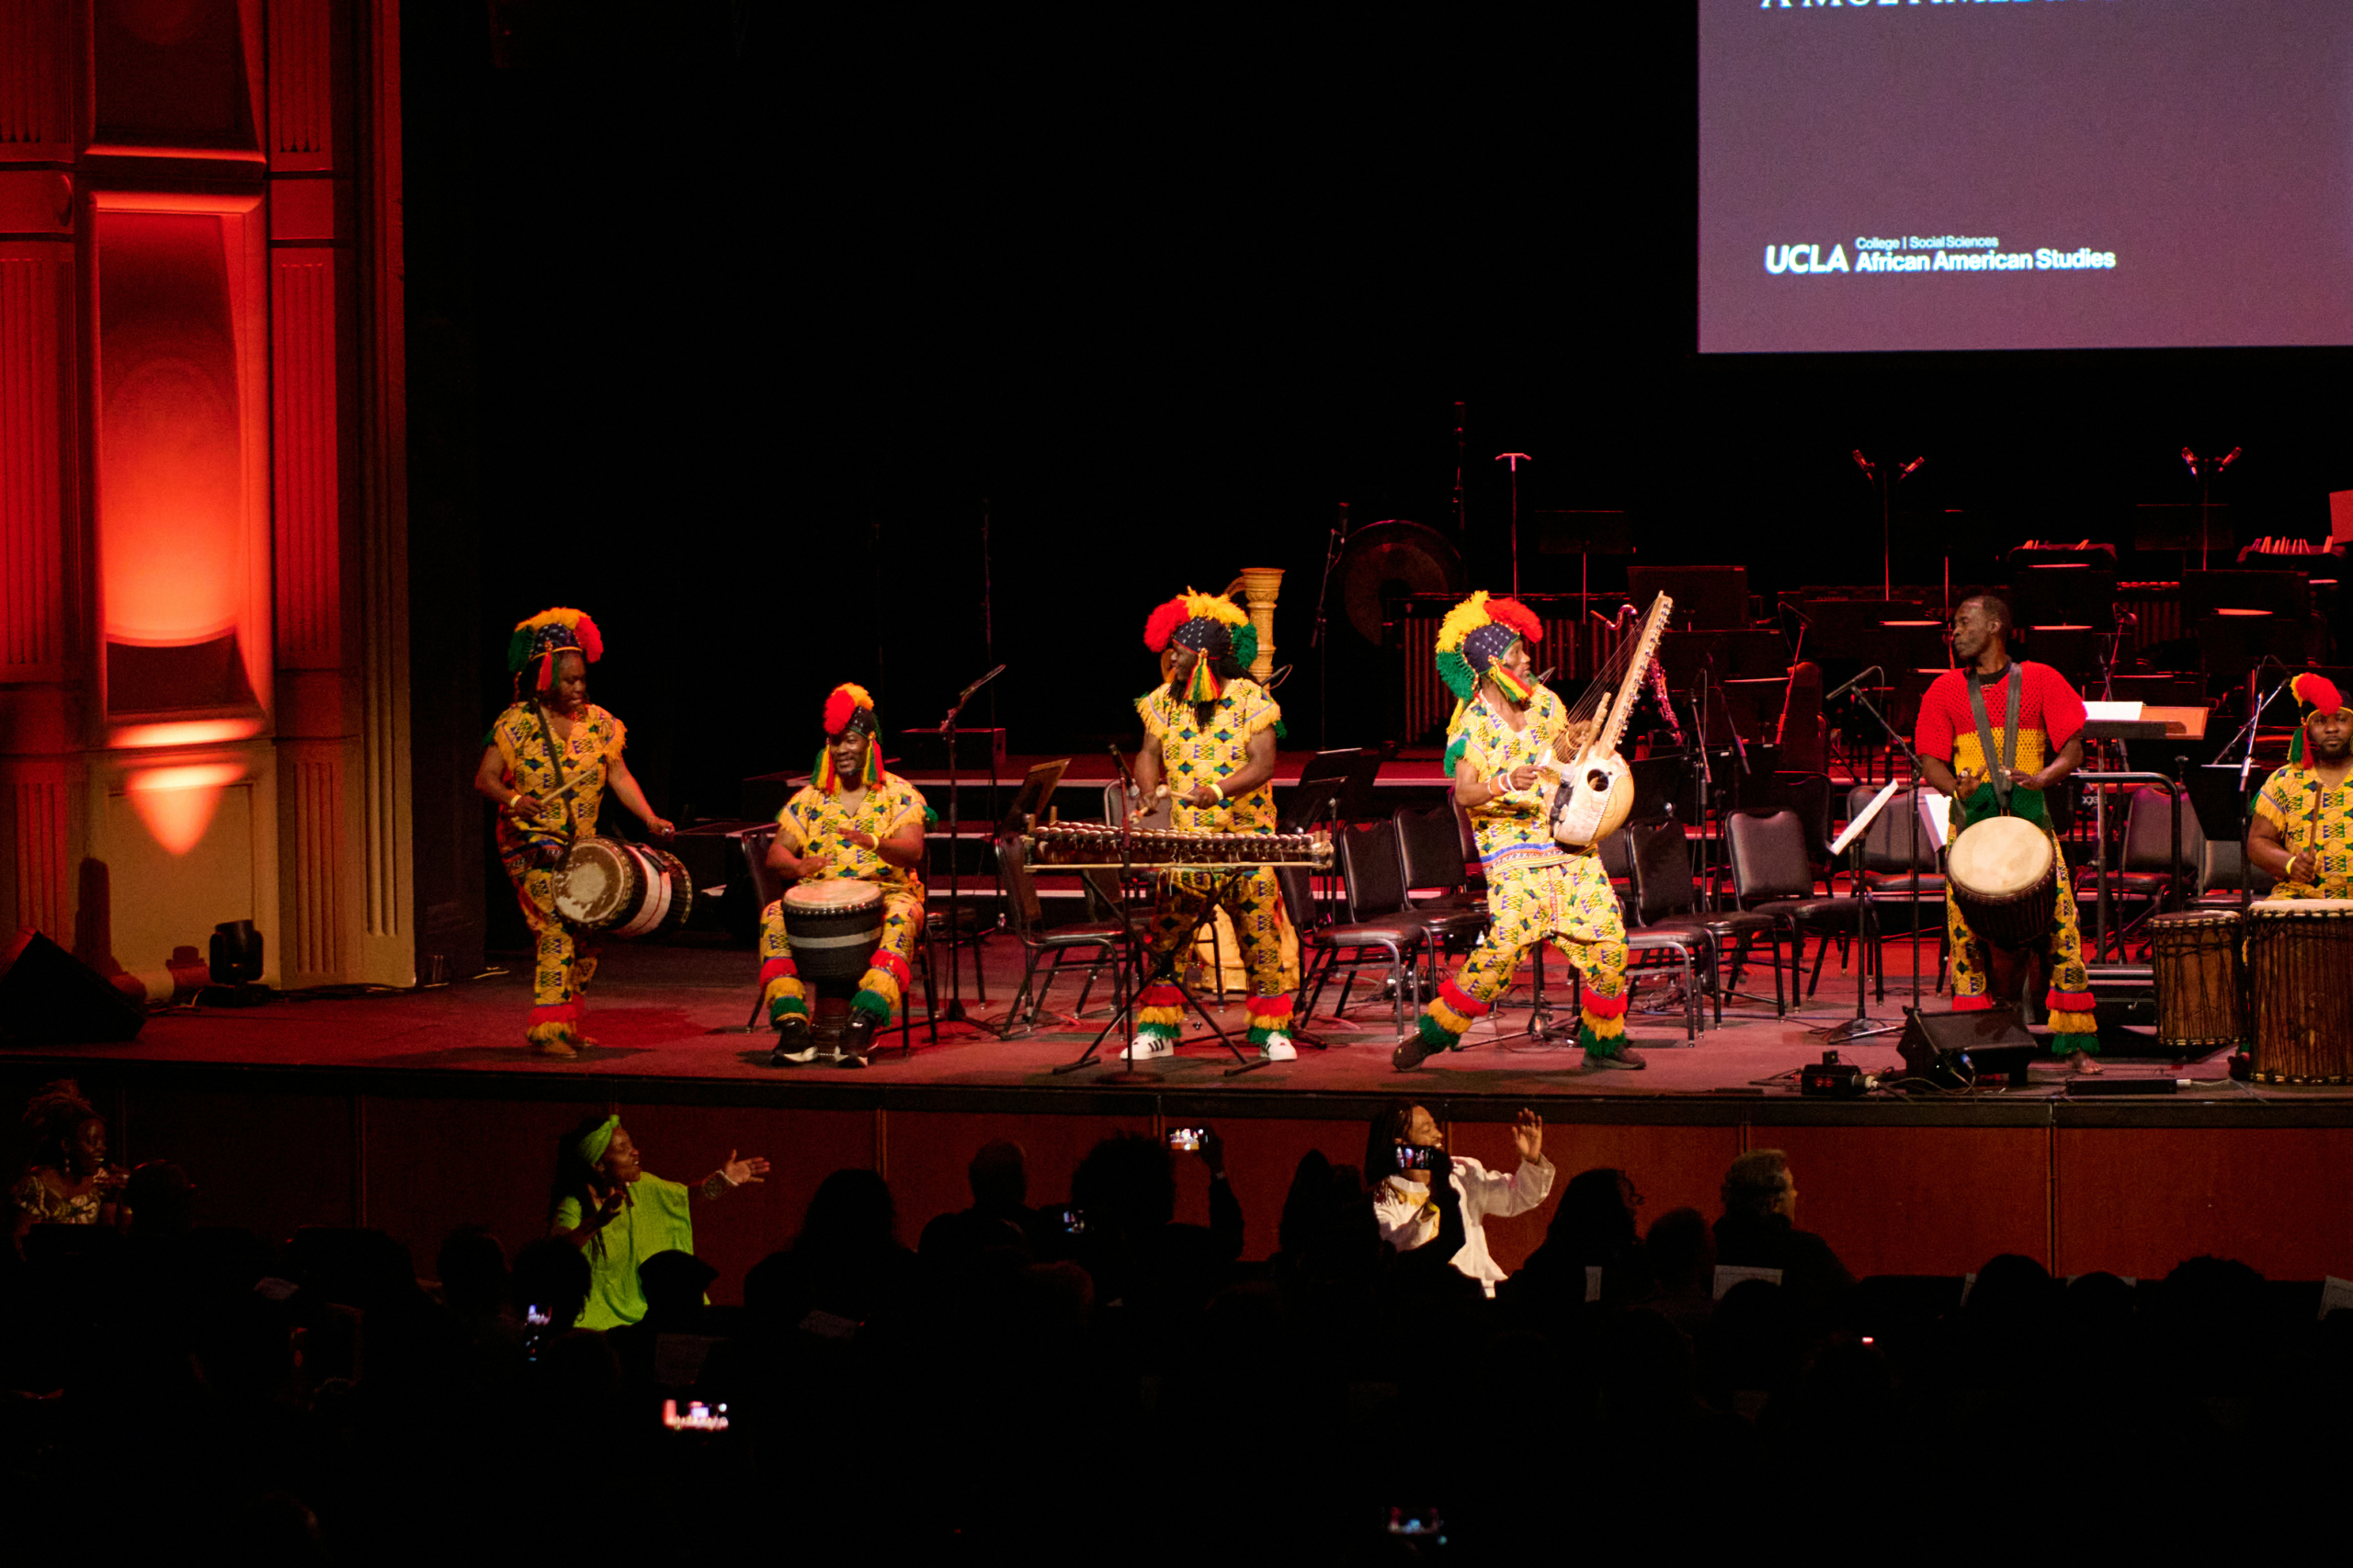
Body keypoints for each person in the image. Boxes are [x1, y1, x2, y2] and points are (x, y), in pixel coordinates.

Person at [1394, 591, 1640, 1071]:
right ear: (1490, 669)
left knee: (1610, 940)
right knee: (1501, 953)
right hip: (1512, 855)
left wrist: (1575, 738)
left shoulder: (1546, 702)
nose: (1527, 660)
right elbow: (1464, 794)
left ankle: (1603, 1044)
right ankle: (1434, 1035)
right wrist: (1505, 781)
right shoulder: (1472, 726)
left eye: (1523, 652)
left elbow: (1563, 751)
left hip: (1566, 844)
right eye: (1515, 656)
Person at [473, 608, 675, 1057]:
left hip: (577, 845)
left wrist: (650, 818)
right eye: (569, 681)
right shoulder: (516, 725)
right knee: (559, 924)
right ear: (545, 679)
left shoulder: (601, 724)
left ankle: (566, 1021)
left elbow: (620, 777)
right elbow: (485, 779)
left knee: (590, 932)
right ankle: (546, 1029)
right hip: (528, 843)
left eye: (583, 679)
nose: (580, 687)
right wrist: (513, 801)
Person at [1915, 593, 2099, 1069]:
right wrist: (1955, 785)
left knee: (2063, 931)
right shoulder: (1943, 690)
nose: (1953, 632)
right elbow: (1931, 760)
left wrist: (2043, 778)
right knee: (1965, 942)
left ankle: (2075, 1046)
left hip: (2033, 831)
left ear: (1995, 625)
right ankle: (1978, 1048)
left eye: (1962, 623)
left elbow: (2073, 749)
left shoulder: (2041, 679)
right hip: (1971, 837)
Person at [1126, 588, 1301, 1062]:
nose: (1171, 662)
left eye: (1178, 655)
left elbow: (1264, 765)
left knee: (1260, 935)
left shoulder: (1251, 700)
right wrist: (1146, 789)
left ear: (1202, 657)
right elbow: (1147, 754)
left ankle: (1269, 1030)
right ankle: (1159, 1028)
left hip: (1247, 840)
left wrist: (1219, 790)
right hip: (1189, 841)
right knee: (1168, 936)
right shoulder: (1163, 700)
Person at [760, 683, 931, 1067]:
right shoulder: (810, 798)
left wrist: (873, 841)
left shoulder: (900, 796)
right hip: (818, 904)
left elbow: (912, 850)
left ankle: (864, 1020)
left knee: (902, 915)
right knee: (772, 915)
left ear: (871, 743)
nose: (841, 750)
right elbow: (777, 853)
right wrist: (797, 866)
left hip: (887, 895)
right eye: (835, 741)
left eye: (850, 740)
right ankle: (792, 1026)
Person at [546, 1115, 767, 1330]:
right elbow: (557, 1254)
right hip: (597, 1326)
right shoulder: (575, 1204)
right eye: (623, 1149)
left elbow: (686, 1197)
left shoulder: (645, 1187)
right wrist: (596, 1222)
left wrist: (725, 1179)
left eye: (632, 1145)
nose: (635, 1153)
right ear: (598, 1165)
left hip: (647, 1318)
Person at [1368, 1101, 1553, 1295]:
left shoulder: (1463, 1172)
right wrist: (1435, 1202)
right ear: (1401, 1143)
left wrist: (1532, 1161)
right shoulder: (1385, 1195)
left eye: (1436, 1127)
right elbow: (1405, 1249)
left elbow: (1517, 1197)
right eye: (1426, 1130)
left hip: (1481, 1294)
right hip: (1428, 1302)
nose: (1438, 1135)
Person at [2249, 673, 2353, 898]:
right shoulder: (2284, 779)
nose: (2332, 728)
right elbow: (2258, 841)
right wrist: (2288, 863)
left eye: (2341, 719)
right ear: (2306, 728)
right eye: (2321, 720)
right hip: (2298, 899)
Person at [1711, 1149, 1852, 1300]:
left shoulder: (1708, 1247)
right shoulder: (1807, 1250)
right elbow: (1851, 1299)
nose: (1796, 1193)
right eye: (1791, 1187)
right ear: (1774, 1202)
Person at [10, 1079, 127, 1248]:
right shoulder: (34, 1187)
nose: (102, 1148)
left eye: (103, 1141)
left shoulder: (101, 1182)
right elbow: (17, 1242)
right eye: (93, 1141)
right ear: (67, 1145)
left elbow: (110, 1240)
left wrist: (118, 1198)